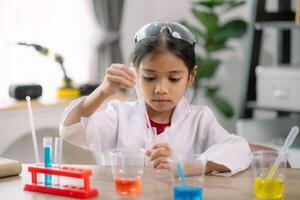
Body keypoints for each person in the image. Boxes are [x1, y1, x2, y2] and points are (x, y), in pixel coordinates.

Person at [60, 21, 251, 176]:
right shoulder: (119, 115)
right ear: (135, 71)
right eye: (150, 77)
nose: (161, 89)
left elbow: (240, 149)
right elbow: (70, 129)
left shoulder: (200, 119)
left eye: (174, 78)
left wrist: (193, 166)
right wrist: (102, 91)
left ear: (191, 76)